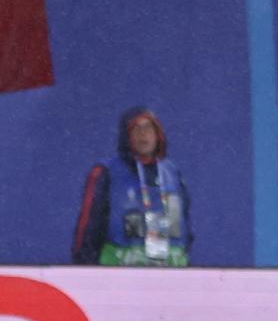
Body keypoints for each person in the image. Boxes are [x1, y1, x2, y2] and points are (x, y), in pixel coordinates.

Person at [72, 108, 193, 266]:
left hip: (171, 272)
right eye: (137, 128)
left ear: (158, 135)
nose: (143, 134)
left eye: (149, 128)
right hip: (121, 274)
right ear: (126, 136)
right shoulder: (107, 173)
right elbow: (89, 229)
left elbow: (186, 225)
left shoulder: (173, 174)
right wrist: (86, 269)